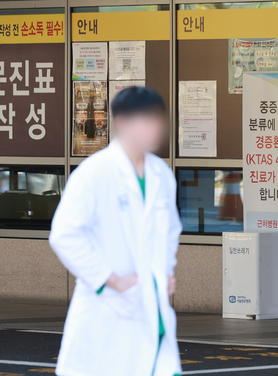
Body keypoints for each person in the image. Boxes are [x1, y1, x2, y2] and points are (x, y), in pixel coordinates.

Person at [49, 87, 182, 376]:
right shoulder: (95, 172)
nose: (155, 128)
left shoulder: (161, 174)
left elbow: (169, 231)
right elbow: (64, 234)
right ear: (121, 122)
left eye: (157, 119)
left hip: (152, 303)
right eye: (145, 120)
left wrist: (166, 270)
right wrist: (109, 279)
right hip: (109, 305)